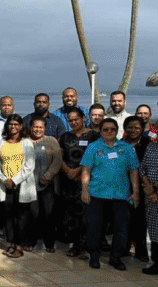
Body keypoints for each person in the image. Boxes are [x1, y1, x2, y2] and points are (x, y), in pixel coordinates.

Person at [81, 117, 140, 270]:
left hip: (121, 195)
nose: (109, 132)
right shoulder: (93, 147)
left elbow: (133, 171)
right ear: (100, 131)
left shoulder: (126, 148)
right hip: (97, 194)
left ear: (117, 130)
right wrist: (84, 190)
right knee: (94, 227)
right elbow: (86, 170)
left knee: (121, 229)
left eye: (112, 129)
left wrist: (136, 192)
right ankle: (94, 255)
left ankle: (116, 257)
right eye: (105, 129)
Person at [58, 107, 99, 258]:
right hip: (68, 181)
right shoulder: (65, 136)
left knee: (86, 215)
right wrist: (67, 170)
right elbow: (60, 156)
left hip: (86, 181)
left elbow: (96, 157)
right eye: (70, 120)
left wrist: (79, 170)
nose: (73, 122)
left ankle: (87, 246)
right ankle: (75, 245)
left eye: (76, 119)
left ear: (83, 119)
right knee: (71, 215)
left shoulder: (94, 136)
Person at [0, 114, 36, 259]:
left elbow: (29, 166)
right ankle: (11, 242)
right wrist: (5, 179)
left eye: (16, 124)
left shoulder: (26, 142)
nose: (13, 127)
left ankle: (20, 246)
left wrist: (15, 180)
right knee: (8, 216)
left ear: (21, 126)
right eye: (10, 124)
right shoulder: (2, 142)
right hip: (6, 185)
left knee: (21, 218)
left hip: (22, 185)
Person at [140, 117, 158, 280]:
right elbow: (143, 168)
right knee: (155, 231)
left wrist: (155, 187)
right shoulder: (151, 147)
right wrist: (149, 189)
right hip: (151, 198)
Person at [27, 116, 62, 252]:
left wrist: (48, 176)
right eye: (35, 127)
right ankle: (31, 241)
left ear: (45, 128)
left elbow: (57, 160)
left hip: (48, 184)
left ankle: (49, 243)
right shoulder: (25, 142)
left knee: (48, 214)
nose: (37, 129)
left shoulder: (51, 141)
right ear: (30, 127)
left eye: (40, 127)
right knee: (33, 214)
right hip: (30, 185)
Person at [123, 115, 150, 263]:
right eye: (130, 127)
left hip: (142, 187)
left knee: (140, 220)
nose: (133, 130)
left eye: (137, 128)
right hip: (122, 188)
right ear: (126, 128)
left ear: (142, 129)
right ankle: (124, 247)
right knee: (123, 219)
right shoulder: (120, 144)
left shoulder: (148, 144)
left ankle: (141, 250)